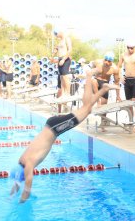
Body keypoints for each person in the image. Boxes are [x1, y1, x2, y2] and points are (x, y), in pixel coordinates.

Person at [10, 74, 119, 203]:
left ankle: (89, 76)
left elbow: (27, 184)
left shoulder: (28, 164)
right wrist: (11, 196)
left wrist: (22, 201)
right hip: (52, 125)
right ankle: (103, 89)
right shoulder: (22, 161)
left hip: (55, 128)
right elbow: (18, 182)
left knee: (85, 108)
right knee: (86, 109)